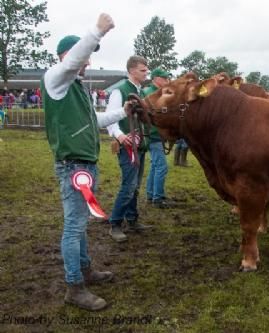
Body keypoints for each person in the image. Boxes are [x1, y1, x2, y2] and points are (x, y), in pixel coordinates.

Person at [42, 13, 138, 311]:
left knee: (79, 224)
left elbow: (94, 120)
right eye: (84, 57)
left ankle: (84, 270)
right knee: (74, 226)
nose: (88, 63)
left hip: (83, 165)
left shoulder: (76, 89)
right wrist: (97, 31)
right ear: (67, 56)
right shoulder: (55, 78)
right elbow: (72, 62)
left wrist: (122, 112)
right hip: (73, 166)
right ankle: (74, 286)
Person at [106, 55, 151, 242]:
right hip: (128, 146)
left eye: (146, 69)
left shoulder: (139, 91)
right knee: (129, 185)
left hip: (139, 144)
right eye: (143, 70)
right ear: (132, 70)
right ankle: (115, 223)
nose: (146, 72)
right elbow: (111, 117)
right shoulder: (120, 91)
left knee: (135, 185)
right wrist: (119, 135)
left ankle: (132, 219)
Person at [143, 67, 178, 208]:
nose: (167, 81)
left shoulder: (157, 93)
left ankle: (151, 194)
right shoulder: (150, 94)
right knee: (161, 167)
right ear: (156, 78)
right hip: (153, 135)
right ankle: (158, 197)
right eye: (164, 78)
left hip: (156, 135)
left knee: (155, 166)